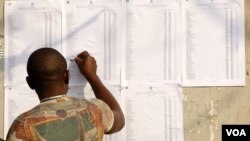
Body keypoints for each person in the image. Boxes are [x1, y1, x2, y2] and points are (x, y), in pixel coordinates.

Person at [6, 48, 125, 141]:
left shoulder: (22, 125)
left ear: (30, 83)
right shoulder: (95, 109)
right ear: (67, 76)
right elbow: (119, 119)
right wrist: (92, 76)